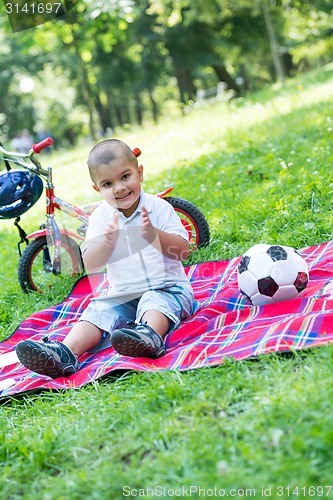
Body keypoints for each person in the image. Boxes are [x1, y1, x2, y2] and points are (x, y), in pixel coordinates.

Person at [16, 139, 197, 379]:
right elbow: (91, 262)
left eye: (125, 177)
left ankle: (149, 336)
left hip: (168, 288)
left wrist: (155, 236)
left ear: (139, 173)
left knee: (154, 301)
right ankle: (64, 353)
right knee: (100, 310)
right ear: (97, 190)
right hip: (123, 294)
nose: (119, 188)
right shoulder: (101, 218)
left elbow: (183, 251)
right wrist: (107, 241)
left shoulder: (159, 208)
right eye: (108, 184)